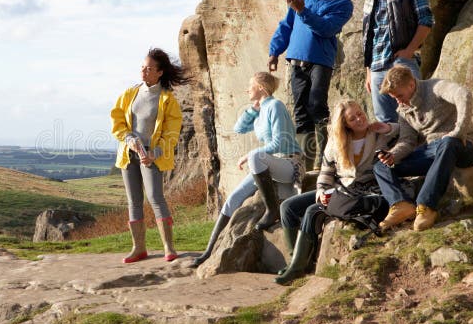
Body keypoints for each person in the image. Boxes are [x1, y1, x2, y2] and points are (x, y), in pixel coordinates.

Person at [274, 100, 396, 285]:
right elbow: (327, 169)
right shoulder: (336, 139)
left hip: (364, 189)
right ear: (344, 123)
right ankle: (295, 261)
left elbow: (402, 130)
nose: (359, 118)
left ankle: (297, 269)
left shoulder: (376, 133)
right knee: (287, 207)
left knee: (313, 210)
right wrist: (321, 189)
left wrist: (387, 127)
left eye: (360, 113)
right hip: (339, 187)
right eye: (352, 118)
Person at [189, 72, 303, 268]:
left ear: (260, 87)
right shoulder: (261, 110)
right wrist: (252, 110)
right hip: (269, 164)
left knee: (255, 156)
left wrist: (250, 155)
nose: (247, 89)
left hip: (289, 163)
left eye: (250, 85)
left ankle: (272, 209)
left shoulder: (275, 106)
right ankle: (208, 252)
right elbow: (239, 128)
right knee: (234, 198)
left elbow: (279, 143)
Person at [268, 0, 354, 170]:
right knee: (300, 111)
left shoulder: (343, 3)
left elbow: (326, 28)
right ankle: (305, 163)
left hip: (320, 61)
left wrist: (303, 11)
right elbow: (286, 25)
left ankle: (326, 158)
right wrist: (274, 51)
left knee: (317, 105)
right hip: (296, 59)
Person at [374, 65, 473, 232]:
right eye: (395, 98)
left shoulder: (435, 87)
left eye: (400, 96)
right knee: (381, 166)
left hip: (464, 146)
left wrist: (458, 131)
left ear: (411, 84)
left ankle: (426, 206)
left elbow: (464, 94)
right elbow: (407, 141)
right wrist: (392, 155)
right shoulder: (403, 110)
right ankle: (400, 204)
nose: (399, 101)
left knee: (447, 143)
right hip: (434, 151)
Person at [111, 48, 187, 263]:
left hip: (152, 156)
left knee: (155, 198)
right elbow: (117, 121)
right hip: (129, 154)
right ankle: (139, 248)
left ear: (160, 72)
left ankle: (169, 248)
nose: (143, 72)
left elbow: (172, 132)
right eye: (142, 68)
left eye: (149, 69)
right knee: (134, 201)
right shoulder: (129, 94)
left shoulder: (167, 100)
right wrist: (128, 139)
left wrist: (155, 153)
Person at [362, 0, 434, 123]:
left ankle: (426, 150)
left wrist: (409, 51)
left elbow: (426, 20)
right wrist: (368, 72)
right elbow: (368, 36)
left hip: (401, 61)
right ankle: (393, 152)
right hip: (376, 67)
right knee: (385, 122)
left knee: (416, 113)